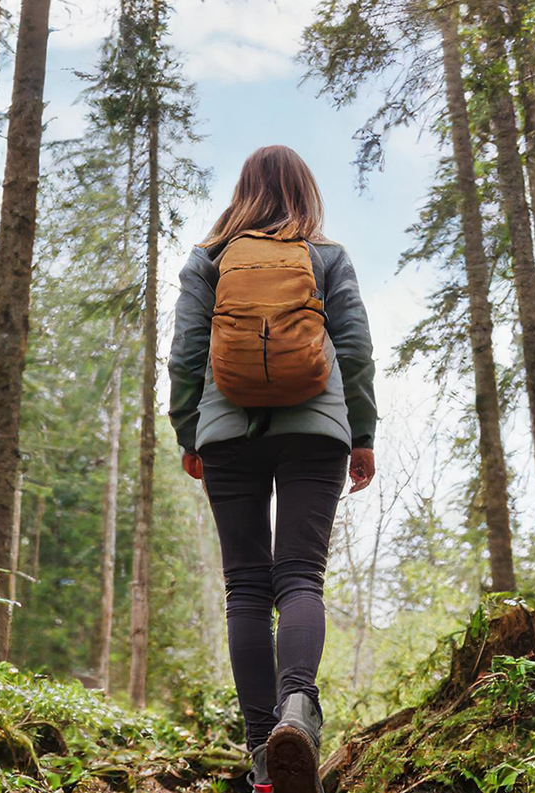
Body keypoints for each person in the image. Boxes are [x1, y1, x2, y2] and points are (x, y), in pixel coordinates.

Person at [168, 144, 377, 793]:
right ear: (303, 192)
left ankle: (263, 753)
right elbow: (354, 349)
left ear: (244, 191)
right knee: (300, 577)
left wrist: (190, 431)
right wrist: (362, 434)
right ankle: (297, 711)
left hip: (226, 431)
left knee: (247, 588)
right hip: (316, 427)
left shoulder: (209, 258)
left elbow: (185, 353)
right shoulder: (326, 256)